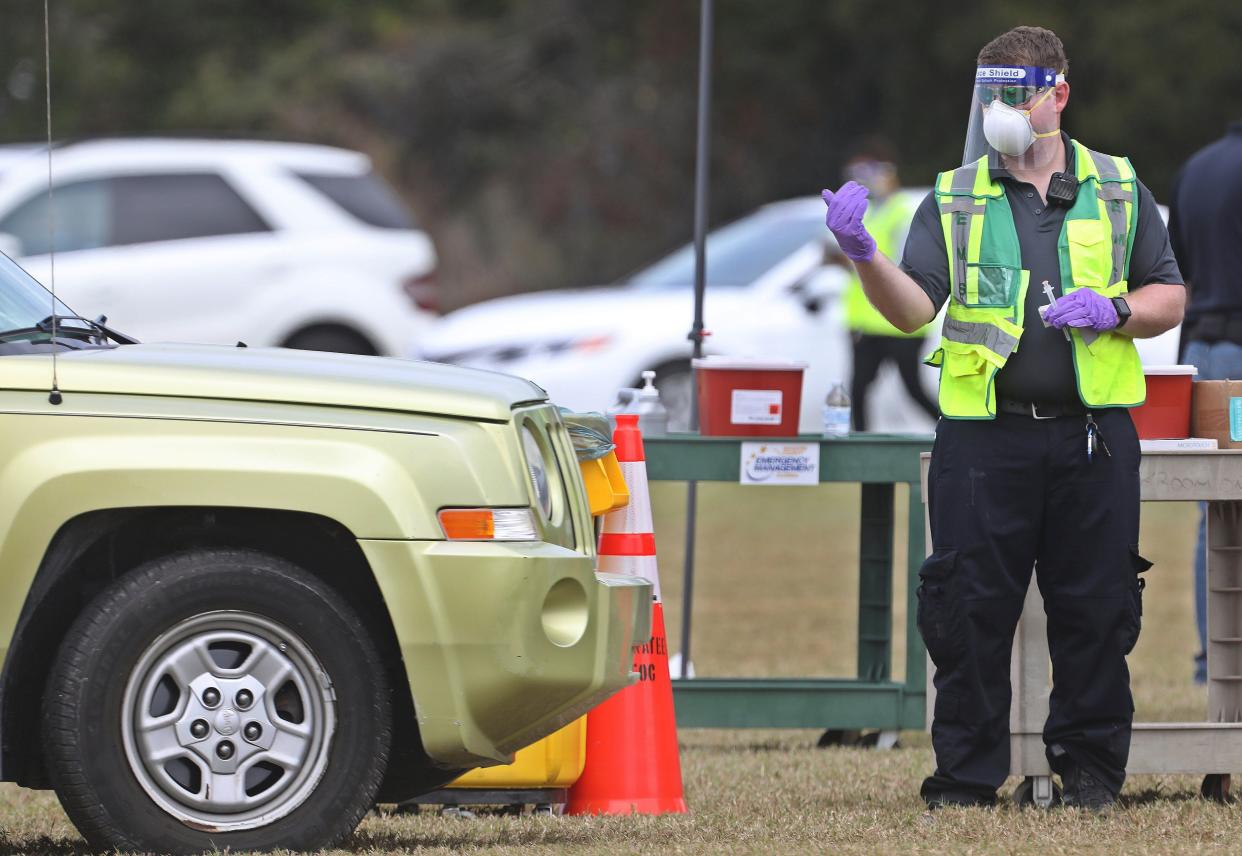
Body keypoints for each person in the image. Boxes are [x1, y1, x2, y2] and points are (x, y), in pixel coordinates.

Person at [821, 26, 1184, 811]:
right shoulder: (955, 196)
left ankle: (1088, 776)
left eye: (1017, 94)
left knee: (1095, 610)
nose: (1003, 110)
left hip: (1092, 437)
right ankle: (964, 781)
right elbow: (915, 307)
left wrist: (1116, 309)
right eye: (991, 95)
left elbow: (1168, 294)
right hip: (985, 438)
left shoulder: (1118, 186)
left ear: (1059, 93)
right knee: (968, 611)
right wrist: (863, 254)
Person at [1168, 124, 1242, 685]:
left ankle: (1210, 655)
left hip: (1203, 354)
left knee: (1212, 513)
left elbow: (1180, 273)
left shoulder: (1197, 167)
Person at [837, 140, 939, 431]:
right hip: (868, 323)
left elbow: (902, 264)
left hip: (899, 322)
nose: (863, 178)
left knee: (913, 390)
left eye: (871, 171)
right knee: (858, 391)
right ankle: (862, 455)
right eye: (856, 171)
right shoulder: (869, 212)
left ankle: (952, 435)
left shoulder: (903, 213)